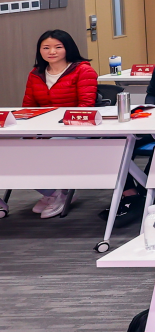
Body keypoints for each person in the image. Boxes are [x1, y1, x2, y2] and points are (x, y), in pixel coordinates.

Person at [21, 30, 98, 218]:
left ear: (68, 48)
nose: (52, 52)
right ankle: (53, 193)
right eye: (46, 48)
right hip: (43, 130)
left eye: (58, 47)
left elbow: (85, 107)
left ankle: (60, 193)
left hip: (76, 129)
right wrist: (31, 133)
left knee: (47, 149)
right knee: (16, 151)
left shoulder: (83, 70)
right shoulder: (36, 73)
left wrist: (54, 129)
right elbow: (28, 107)